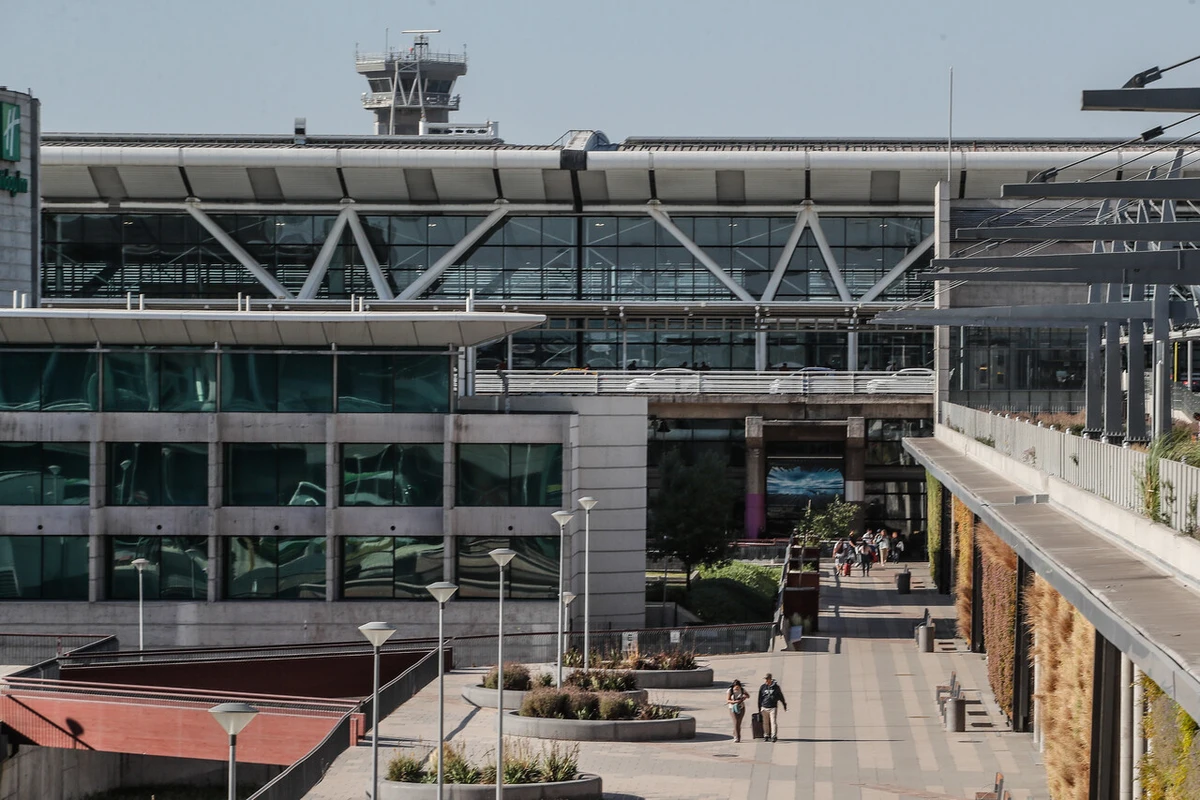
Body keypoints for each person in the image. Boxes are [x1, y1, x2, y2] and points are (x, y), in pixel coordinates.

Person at [757, 672, 787, 742]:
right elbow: (759, 698)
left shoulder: (776, 687)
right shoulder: (763, 687)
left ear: (770, 679)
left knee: (773, 722)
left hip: (773, 707)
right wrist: (759, 708)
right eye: (765, 679)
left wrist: (784, 704)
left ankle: (773, 736)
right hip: (764, 707)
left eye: (767, 679)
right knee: (765, 722)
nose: (766, 681)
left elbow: (781, 696)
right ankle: (766, 735)